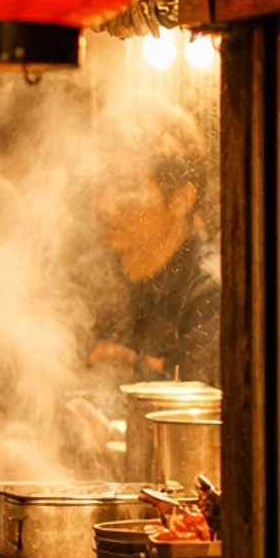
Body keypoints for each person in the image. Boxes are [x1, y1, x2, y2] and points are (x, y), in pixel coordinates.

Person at [89, 103, 220, 386]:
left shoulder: (209, 293)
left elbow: (201, 401)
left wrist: (138, 372)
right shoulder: (86, 277)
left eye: (126, 187)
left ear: (181, 199)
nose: (105, 205)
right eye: (102, 185)